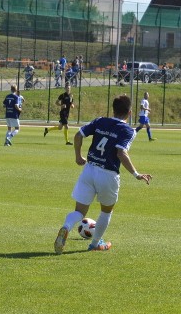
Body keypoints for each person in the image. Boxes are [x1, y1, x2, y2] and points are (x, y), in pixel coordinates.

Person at [53, 94, 152, 254]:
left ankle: (66, 227)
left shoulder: (100, 121)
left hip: (89, 170)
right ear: (130, 112)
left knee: (79, 212)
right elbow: (121, 153)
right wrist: (136, 174)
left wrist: (78, 156)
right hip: (108, 174)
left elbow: (78, 135)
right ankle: (95, 244)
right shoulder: (128, 130)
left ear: (113, 110)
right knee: (106, 211)